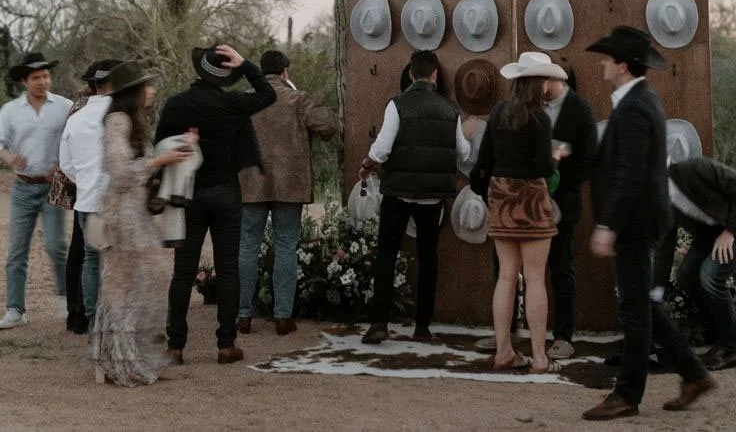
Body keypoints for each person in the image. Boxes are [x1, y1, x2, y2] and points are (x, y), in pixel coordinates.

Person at [583, 26, 713, 420]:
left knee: (635, 309)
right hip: (640, 218)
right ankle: (692, 373)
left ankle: (627, 395)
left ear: (622, 65)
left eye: (607, 58)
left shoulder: (637, 106)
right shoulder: (636, 101)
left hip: (636, 222)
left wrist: (609, 225)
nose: (603, 63)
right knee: (640, 303)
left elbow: (631, 174)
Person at [155, 44, 276, 365]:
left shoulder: (177, 105)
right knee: (228, 269)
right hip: (225, 192)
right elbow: (268, 94)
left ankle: (176, 346)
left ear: (199, 71)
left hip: (189, 193)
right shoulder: (233, 103)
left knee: (183, 272)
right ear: (226, 76)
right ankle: (225, 344)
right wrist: (246, 64)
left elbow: (159, 146)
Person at [359, 50, 480, 345]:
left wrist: (367, 162)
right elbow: (463, 154)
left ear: (411, 74)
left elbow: (382, 148)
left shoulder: (397, 105)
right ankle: (422, 327)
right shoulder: (451, 110)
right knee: (428, 259)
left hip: (398, 192)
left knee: (387, 255)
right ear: (435, 76)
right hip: (432, 197)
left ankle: (379, 323)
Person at [93, 61, 194, 387]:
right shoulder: (117, 121)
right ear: (133, 92)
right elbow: (120, 171)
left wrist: (175, 152)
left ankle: (129, 357)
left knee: (144, 282)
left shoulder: (133, 121)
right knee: (125, 287)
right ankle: (119, 360)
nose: (151, 91)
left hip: (136, 213)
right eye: (146, 86)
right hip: (124, 216)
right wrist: (159, 161)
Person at [470, 52, 567, 374]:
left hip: (501, 198)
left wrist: (489, 196)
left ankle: (504, 351)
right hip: (531, 200)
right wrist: (555, 156)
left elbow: (483, 162)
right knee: (536, 277)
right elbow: (541, 166)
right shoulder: (540, 118)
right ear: (538, 83)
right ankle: (540, 357)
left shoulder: (498, 113)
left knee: (507, 276)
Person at [238, 49, 338, 335]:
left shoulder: (246, 100)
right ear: (284, 72)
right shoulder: (297, 99)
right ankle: (283, 316)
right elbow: (329, 126)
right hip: (289, 185)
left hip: (250, 183)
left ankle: (242, 315)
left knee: (246, 246)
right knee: (285, 247)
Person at [0, 52, 72, 329]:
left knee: (56, 247)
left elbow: (74, 139)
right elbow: (1, 144)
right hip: (22, 187)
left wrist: (63, 164)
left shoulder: (63, 106)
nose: (42, 81)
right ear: (24, 80)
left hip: (53, 188)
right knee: (16, 251)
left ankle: (67, 302)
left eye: (45, 76)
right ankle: (15, 310)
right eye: (36, 77)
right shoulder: (9, 111)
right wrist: (8, 157)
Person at [654, 155, 736, 371]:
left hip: (731, 229)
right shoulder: (662, 200)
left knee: (710, 276)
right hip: (710, 238)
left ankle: (731, 346)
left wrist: (730, 232)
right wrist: (654, 294)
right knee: (685, 275)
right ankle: (722, 334)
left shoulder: (695, 168)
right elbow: (664, 248)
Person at [59, 59, 122, 328]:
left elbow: (66, 164)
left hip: (87, 200)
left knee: (91, 258)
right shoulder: (122, 117)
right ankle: (115, 317)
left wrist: (85, 181)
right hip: (116, 200)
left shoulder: (76, 118)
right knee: (118, 259)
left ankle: (93, 317)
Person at [542, 66, 598, 360]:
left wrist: (559, 180)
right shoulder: (531, 106)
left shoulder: (581, 110)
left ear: (555, 81)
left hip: (564, 202)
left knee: (561, 266)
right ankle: (508, 331)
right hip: (528, 200)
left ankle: (563, 336)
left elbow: (588, 159)